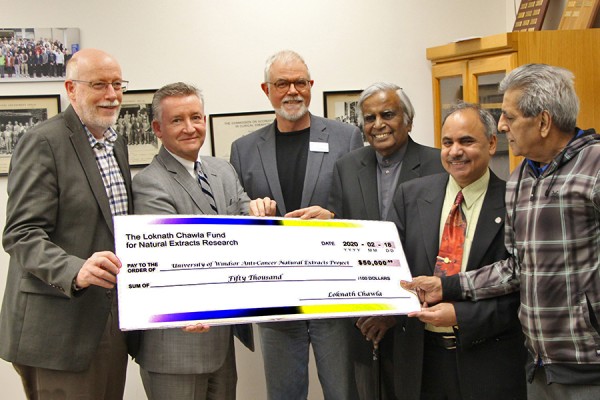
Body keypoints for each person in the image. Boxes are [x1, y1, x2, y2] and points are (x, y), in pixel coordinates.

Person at [402, 64, 600, 400]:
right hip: (539, 365)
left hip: (589, 364)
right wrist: (445, 285)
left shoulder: (594, 167)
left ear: (543, 122)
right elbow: (514, 268)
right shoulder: (523, 176)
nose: (504, 125)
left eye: (509, 116)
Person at [0, 48, 134, 399]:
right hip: (58, 326)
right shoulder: (43, 141)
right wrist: (75, 270)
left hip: (107, 318)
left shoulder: (115, 145)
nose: (111, 95)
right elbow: (20, 233)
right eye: (99, 84)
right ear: (71, 89)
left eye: (118, 84)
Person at [230, 50, 364, 400]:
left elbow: (364, 206)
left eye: (300, 82)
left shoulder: (345, 138)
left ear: (311, 86)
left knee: (343, 390)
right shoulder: (243, 149)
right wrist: (249, 211)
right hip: (275, 296)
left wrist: (334, 218)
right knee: (284, 393)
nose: (292, 90)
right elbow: (234, 213)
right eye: (282, 83)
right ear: (266, 89)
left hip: (333, 293)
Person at [132, 82, 277, 400]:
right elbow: (172, 261)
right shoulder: (148, 184)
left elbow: (245, 217)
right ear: (157, 128)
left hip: (221, 343)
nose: (189, 128)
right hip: (175, 349)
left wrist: (260, 213)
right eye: (177, 120)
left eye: (195, 117)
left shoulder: (222, 170)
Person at [389, 102, 526, 399]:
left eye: (466, 141)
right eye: (447, 142)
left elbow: (525, 290)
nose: (455, 152)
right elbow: (389, 269)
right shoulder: (410, 196)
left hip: (488, 364)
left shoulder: (516, 202)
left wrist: (462, 315)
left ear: (491, 144)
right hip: (421, 362)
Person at [328, 82, 444, 400]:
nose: (378, 124)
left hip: (421, 320)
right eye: (369, 118)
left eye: (388, 114)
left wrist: (394, 310)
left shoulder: (439, 166)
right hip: (364, 321)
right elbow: (343, 243)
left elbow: (438, 249)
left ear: (408, 120)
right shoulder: (346, 168)